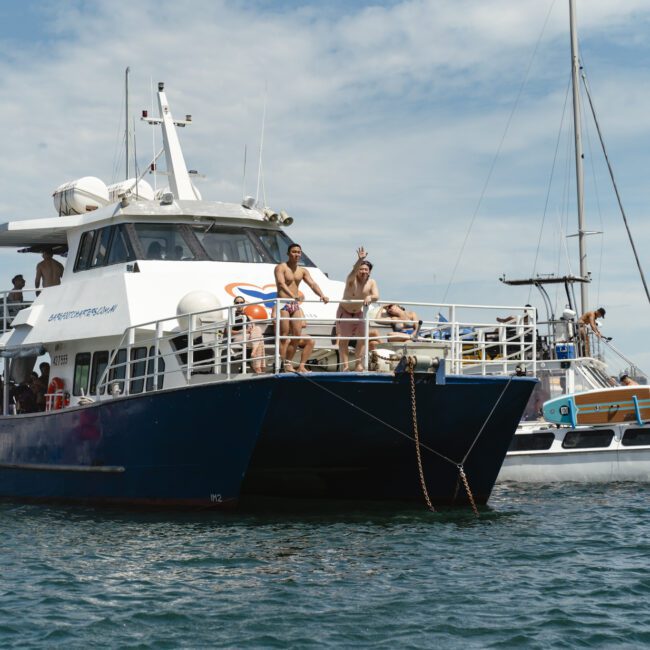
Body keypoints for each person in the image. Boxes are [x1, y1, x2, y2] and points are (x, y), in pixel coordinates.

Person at [274, 243, 329, 371]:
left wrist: (321, 295)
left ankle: (288, 363)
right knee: (284, 334)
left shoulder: (302, 270)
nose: (296, 254)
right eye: (294, 252)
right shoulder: (281, 267)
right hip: (283, 303)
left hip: (294, 304)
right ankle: (282, 364)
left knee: (297, 335)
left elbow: (312, 284)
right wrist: (293, 295)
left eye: (298, 252)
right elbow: (281, 284)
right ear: (288, 253)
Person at [336, 247, 380, 371]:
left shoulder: (371, 282)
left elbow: (377, 295)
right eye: (361, 269)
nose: (363, 271)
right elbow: (353, 271)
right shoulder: (351, 280)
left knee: (363, 337)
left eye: (366, 269)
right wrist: (359, 260)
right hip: (344, 312)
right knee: (344, 339)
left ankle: (357, 363)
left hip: (359, 313)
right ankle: (344, 366)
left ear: (369, 272)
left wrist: (370, 297)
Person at [232, 297, 266, 374]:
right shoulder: (232, 316)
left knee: (257, 328)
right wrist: (243, 331)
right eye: (237, 303)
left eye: (241, 302)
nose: (239, 304)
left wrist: (250, 330)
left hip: (249, 338)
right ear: (234, 304)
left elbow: (254, 328)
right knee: (260, 339)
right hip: (238, 337)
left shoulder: (249, 317)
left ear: (244, 303)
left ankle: (254, 351)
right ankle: (258, 368)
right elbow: (229, 332)